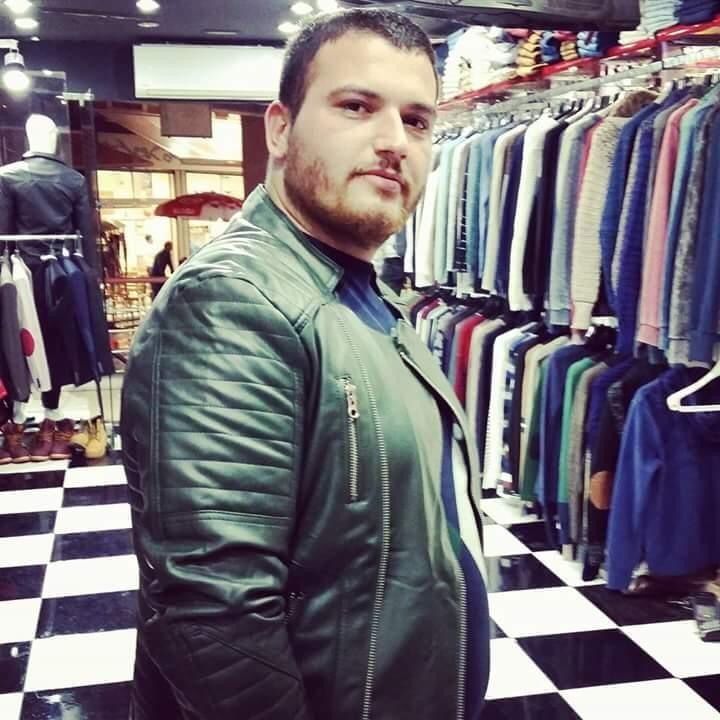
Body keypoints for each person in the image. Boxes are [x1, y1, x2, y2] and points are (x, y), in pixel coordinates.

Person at [121, 8, 489, 720]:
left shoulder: (361, 293)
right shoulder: (232, 301)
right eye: (357, 106)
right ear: (280, 129)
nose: (394, 141)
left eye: (417, 120)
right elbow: (215, 612)